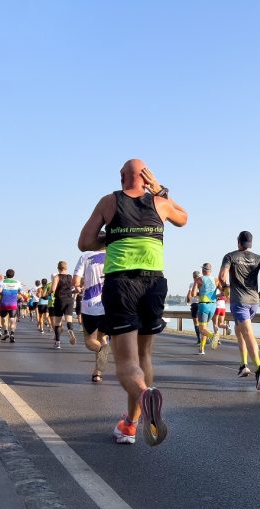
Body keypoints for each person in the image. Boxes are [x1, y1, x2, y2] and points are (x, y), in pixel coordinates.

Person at [78, 158, 187, 446]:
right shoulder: (161, 203)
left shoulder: (108, 202)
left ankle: (144, 396)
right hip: (154, 283)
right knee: (144, 355)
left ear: (121, 177)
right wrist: (161, 190)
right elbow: (184, 218)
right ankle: (131, 425)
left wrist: (112, 237)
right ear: (146, 178)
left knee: (126, 362)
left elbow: (84, 242)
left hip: (121, 282)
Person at [219, 231, 260, 390]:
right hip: (254, 302)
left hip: (239, 302)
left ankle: (259, 367)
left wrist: (225, 288)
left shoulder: (230, 256)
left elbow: (222, 276)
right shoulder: (259, 258)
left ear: (238, 241)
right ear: (251, 243)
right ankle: (243, 365)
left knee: (247, 333)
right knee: (239, 331)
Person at [73, 249, 110, 383]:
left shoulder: (85, 257)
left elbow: (76, 281)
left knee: (90, 341)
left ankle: (102, 350)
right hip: (109, 303)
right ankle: (97, 373)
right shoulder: (113, 254)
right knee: (102, 337)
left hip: (90, 304)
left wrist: (78, 287)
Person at [50, 261, 76, 349]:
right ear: (66, 268)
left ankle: (57, 343)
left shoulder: (57, 277)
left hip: (60, 300)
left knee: (57, 323)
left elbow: (53, 289)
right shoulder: (70, 277)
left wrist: (49, 292)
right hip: (69, 300)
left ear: (58, 268)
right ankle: (70, 330)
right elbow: (74, 288)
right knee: (69, 320)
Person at [194, 262, 219, 354]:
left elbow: (193, 294)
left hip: (203, 305)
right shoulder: (216, 280)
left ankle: (213, 337)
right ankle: (202, 349)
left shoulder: (199, 279)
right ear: (210, 270)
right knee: (205, 327)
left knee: (202, 329)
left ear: (202, 270)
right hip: (213, 306)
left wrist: (200, 294)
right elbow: (222, 292)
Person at [0, 268, 22, 343]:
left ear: (6, 274)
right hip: (13, 304)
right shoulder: (17, 282)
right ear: (13, 275)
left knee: (3, 318)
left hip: (4, 303)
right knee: (12, 319)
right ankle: (12, 334)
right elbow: (20, 292)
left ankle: (6, 332)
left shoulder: (2, 282)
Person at [186, 270, 201, 345]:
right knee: (203, 323)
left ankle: (199, 339)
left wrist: (188, 300)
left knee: (196, 323)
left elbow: (189, 295)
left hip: (195, 304)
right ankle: (205, 337)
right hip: (202, 304)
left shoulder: (192, 284)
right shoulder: (202, 284)